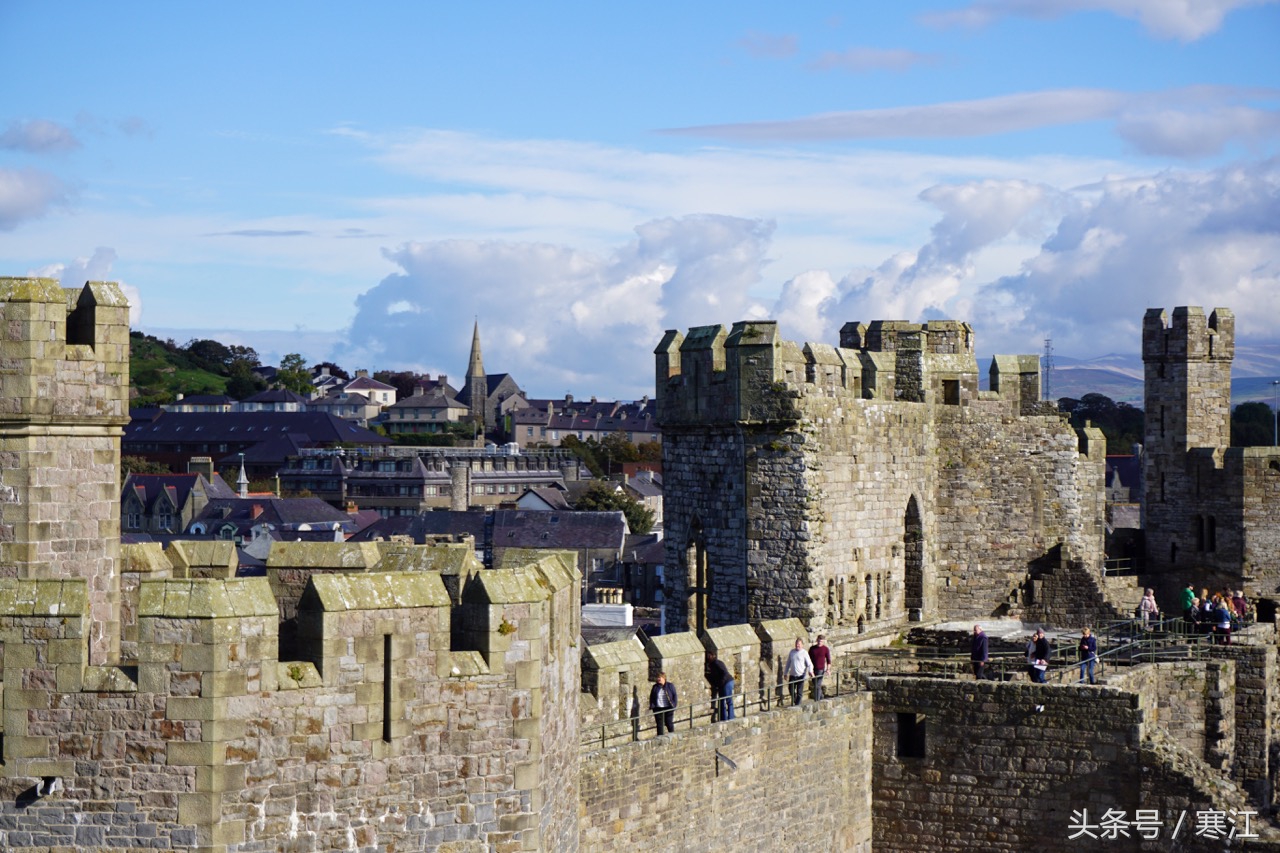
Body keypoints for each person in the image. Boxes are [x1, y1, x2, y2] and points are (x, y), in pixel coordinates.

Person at [705, 652, 734, 721]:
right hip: (724, 684)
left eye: (709, 655)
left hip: (727, 682)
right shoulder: (712, 664)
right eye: (707, 656)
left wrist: (721, 683)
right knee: (722, 700)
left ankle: (731, 718)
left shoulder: (717, 663)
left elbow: (724, 673)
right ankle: (723, 718)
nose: (708, 657)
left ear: (713, 655)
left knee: (727, 700)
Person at [784, 638, 814, 706]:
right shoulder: (792, 652)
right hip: (792, 675)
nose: (797, 645)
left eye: (799, 644)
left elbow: (809, 664)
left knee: (799, 692)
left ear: (802, 645)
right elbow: (788, 663)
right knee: (791, 690)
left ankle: (797, 705)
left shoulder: (804, 653)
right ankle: (795, 701)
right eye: (796, 644)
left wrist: (810, 671)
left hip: (801, 675)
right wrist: (785, 673)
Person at [809, 635, 833, 699]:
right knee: (816, 685)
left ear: (823, 642)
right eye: (819, 641)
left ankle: (817, 701)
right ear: (817, 640)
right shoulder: (812, 649)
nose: (820, 642)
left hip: (820, 670)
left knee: (817, 685)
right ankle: (821, 697)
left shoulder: (825, 649)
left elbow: (828, 660)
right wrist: (809, 669)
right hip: (813, 669)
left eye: (821, 641)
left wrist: (828, 669)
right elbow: (808, 659)